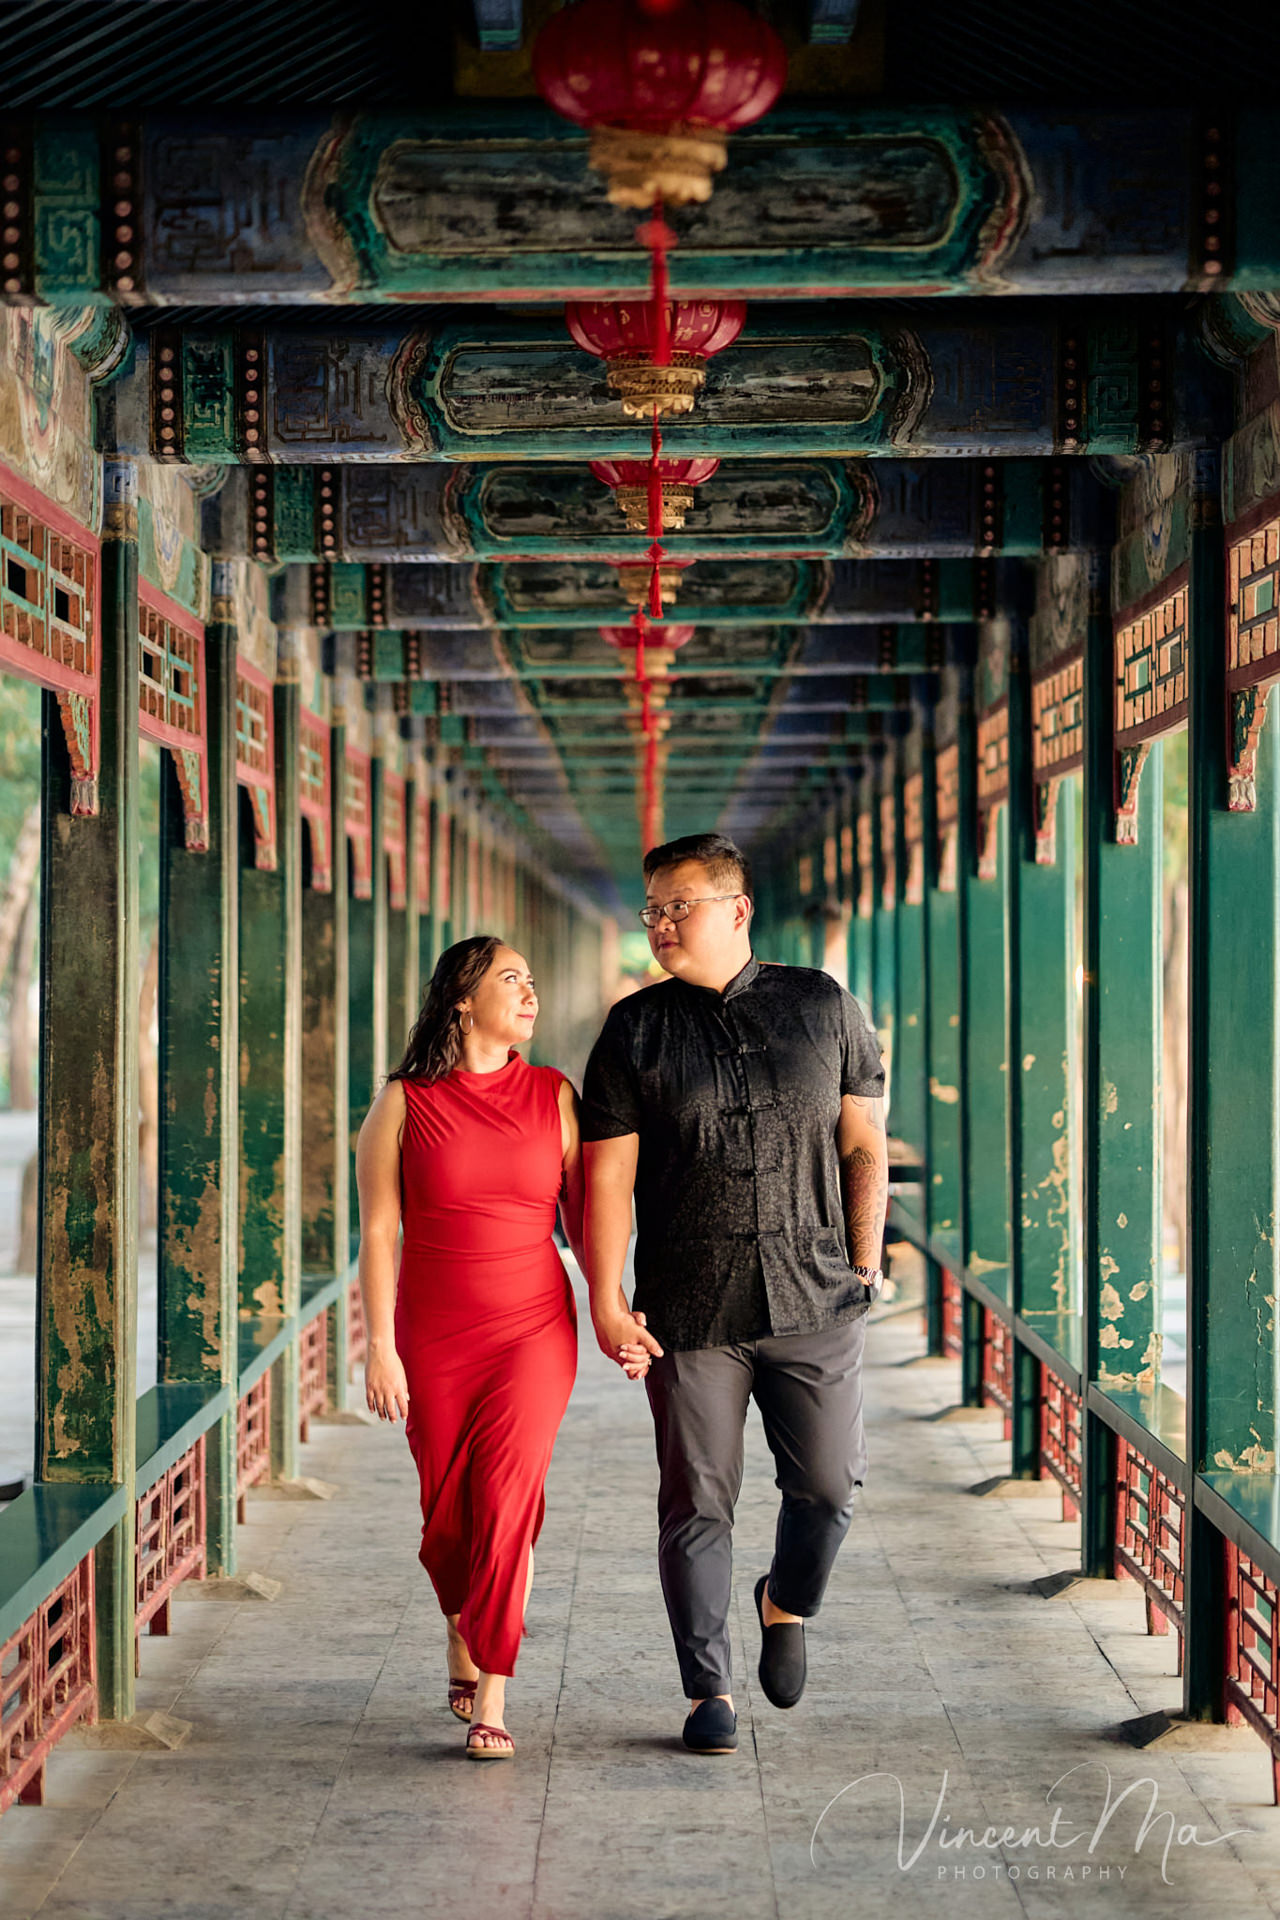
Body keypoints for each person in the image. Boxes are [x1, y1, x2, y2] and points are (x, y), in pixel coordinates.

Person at [581, 833, 889, 1756]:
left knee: (830, 1487)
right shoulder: (636, 1030)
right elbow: (605, 1183)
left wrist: (864, 1265)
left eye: (681, 906)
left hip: (816, 1296)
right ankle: (705, 1688)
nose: (662, 925)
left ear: (737, 909)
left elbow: (862, 1143)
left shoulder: (823, 1007)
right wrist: (606, 1297)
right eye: (653, 910)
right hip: (689, 1306)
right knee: (696, 1503)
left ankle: (787, 1600)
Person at [356, 935, 650, 1761]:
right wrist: (380, 1345)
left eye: (531, 979)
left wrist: (612, 1313)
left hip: (530, 1330)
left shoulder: (554, 1094)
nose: (529, 992)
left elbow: (584, 1219)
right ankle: (462, 1623)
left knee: (508, 1500)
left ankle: (494, 1685)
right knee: (447, 1518)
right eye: (509, 980)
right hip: (432, 1333)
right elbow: (379, 1232)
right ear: (462, 1000)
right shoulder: (403, 1103)